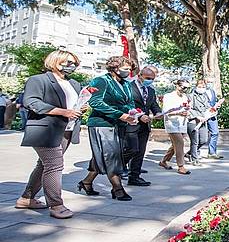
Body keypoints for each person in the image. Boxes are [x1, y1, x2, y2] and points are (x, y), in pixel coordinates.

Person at [17, 50, 85, 219]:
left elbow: (72, 104)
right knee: (55, 165)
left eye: (74, 63)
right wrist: (64, 112)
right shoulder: (38, 80)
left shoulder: (74, 84)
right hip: (45, 129)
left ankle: (26, 198)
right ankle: (56, 205)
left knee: (44, 165)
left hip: (67, 130)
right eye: (68, 62)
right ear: (55, 61)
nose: (72, 66)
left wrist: (79, 108)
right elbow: (31, 102)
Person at [80, 56, 137, 201]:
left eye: (130, 69)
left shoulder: (126, 84)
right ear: (115, 67)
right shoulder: (101, 81)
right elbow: (95, 102)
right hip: (101, 123)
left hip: (119, 124)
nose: (128, 71)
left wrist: (132, 113)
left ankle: (86, 182)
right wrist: (120, 114)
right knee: (111, 155)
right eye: (125, 68)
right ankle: (117, 188)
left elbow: (129, 102)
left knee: (104, 155)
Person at [123, 66, 162, 187]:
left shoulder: (150, 90)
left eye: (152, 79)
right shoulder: (128, 87)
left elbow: (153, 104)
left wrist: (158, 113)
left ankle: (134, 176)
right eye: (148, 78)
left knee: (140, 152)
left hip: (145, 126)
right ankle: (117, 166)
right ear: (140, 75)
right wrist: (139, 116)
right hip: (131, 124)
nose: (150, 80)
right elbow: (126, 105)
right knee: (132, 149)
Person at [159, 79, 192, 174]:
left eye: (187, 88)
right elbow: (165, 111)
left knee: (175, 145)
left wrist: (187, 113)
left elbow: (187, 108)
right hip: (171, 123)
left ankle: (164, 161)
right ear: (177, 86)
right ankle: (181, 166)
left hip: (182, 123)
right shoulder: (168, 96)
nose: (185, 90)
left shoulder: (185, 97)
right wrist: (179, 112)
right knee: (180, 143)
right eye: (183, 87)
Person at [186, 80, 213, 166]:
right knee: (195, 141)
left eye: (203, 87)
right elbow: (189, 108)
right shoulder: (190, 96)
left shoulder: (205, 96)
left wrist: (212, 111)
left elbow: (208, 107)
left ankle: (190, 153)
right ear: (196, 87)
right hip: (193, 121)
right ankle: (194, 158)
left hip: (203, 121)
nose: (201, 89)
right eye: (199, 87)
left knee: (204, 140)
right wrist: (197, 116)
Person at [205, 82, 225, 159]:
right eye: (208, 81)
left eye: (211, 82)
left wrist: (217, 105)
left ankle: (212, 153)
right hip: (202, 115)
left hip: (212, 115)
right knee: (200, 137)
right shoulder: (196, 91)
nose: (210, 83)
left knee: (215, 132)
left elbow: (213, 102)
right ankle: (192, 153)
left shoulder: (212, 91)